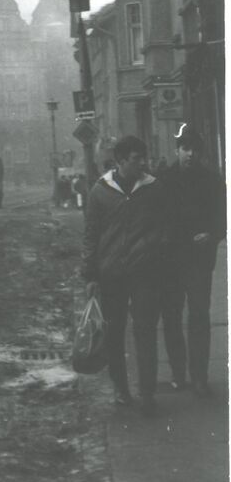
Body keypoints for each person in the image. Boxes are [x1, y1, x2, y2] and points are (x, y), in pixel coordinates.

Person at [82, 134, 175, 417]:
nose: (142, 164)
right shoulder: (100, 191)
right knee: (114, 333)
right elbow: (91, 236)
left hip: (145, 273)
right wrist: (89, 275)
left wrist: (154, 249)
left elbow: (166, 225)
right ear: (121, 161)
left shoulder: (154, 188)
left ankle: (146, 392)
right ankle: (121, 389)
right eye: (136, 159)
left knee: (145, 330)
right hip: (111, 274)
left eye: (143, 158)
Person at [158, 124, 226, 397]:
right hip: (170, 261)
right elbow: (154, 219)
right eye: (186, 149)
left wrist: (210, 234)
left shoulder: (212, 180)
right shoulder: (163, 180)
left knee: (199, 317)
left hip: (199, 261)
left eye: (195, 149)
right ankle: (178, 373)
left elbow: (223, 218)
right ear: (177, 150)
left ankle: (199, 376)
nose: (190, 154)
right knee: (172, 317)